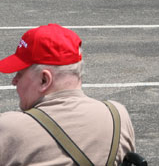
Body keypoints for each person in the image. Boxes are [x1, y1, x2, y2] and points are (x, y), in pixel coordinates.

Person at [0, 24, 135, 165]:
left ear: (44, 80)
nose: (14, 81)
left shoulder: (9, 129)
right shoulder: (118, 117)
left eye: (20, 74)